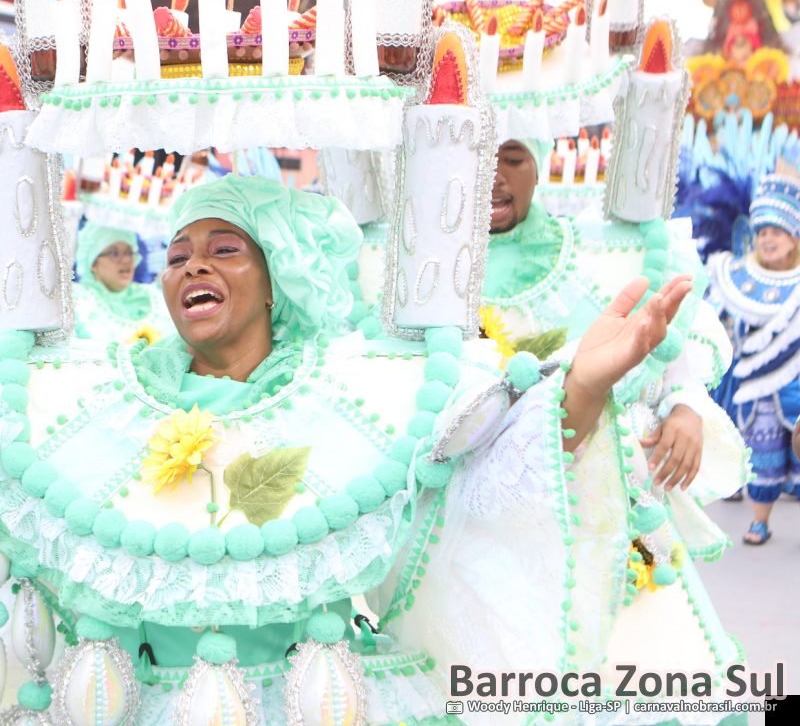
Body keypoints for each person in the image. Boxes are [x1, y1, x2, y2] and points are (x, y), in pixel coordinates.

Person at [0, 175, 747, 723]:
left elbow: (490, 489)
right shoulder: (99, 397)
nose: (192, 266)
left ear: (277, 279)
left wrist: (581, 387)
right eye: (179, 255)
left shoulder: (363, 390)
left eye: (225, 249)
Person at [482, 138, 743, 498]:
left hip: (596, 489)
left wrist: (684, 404)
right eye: (477, 155)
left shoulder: (594, 250)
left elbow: (661, 331)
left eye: (512, 159)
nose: (495, 175)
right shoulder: (413, 268)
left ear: (539, 170)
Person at [707, 172, 800, 545]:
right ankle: (760, 519)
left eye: (776, 232)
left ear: (794, 239)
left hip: (795, 383)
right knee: (763, 453)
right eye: (762, 233)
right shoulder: (735, 278)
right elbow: (718, 322)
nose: (768, 239)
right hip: (754, 389)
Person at [72, 221, 172, 345]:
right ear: (93, 263)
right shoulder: (78, 300)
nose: (126, 260)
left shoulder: (155, 296)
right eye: (114, 253)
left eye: (129, 252)